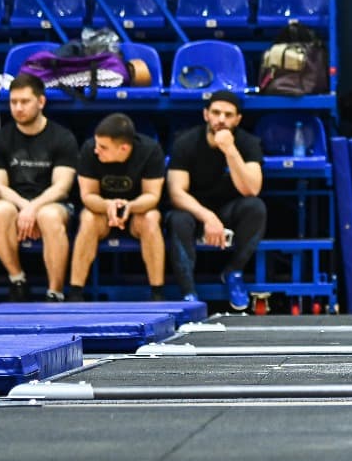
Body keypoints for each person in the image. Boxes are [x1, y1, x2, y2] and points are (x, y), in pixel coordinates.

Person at [165, 90, 266, 311]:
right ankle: (188, 293)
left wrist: (230, 150)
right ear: (205, 115)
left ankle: (233, 272)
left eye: (228, 115)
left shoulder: (248, 143)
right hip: (195, 211)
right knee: (178, 219)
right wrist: (208, 216)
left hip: (230, 209)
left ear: (238, 119)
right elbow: (176, 193)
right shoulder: (186, 142)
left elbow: (252, 189)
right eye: (216, 113)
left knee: (256, 208)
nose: (221, 119)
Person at [0, 73, 80, 302]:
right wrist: (24, 207)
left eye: (25, 101)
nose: (18, 108)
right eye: (13, 102)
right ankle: (17, 279)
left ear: (41, 102)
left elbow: (62, 187)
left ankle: (55, 292)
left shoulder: (62, 137)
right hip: (16, 203)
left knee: (48, 216)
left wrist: (34, 208)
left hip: (53, 204)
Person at [67, 113, 166, 301]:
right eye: (97, 144)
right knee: (87, 217)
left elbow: (152, 196)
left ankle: (157, 292)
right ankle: (75, 292)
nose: (97, 150)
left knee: (151, 218)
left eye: (103, 147)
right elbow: (88, 196)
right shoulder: (89, 150)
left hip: (137, 211)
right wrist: (107, 205)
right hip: (101, 213)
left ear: (124, 148)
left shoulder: (150, 151)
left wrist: (130, 206)